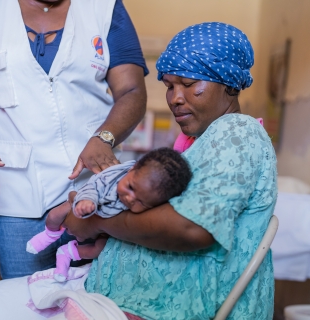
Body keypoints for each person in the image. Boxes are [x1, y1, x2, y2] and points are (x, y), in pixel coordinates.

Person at [61, 22, 277, 319]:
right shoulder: (198, 143)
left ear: (229, 83)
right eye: (169, 86)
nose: (175, 98)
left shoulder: (237, 132)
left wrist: (97, 222)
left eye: (188, 84)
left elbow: (193, 228)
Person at [0, 0, 148, 279]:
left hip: (90, 188)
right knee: (24, 300)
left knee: (93, 299)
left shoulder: (104, 7)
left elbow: (132, 91)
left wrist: (104, 137)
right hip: (15, 192)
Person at [26, 148, 192, 282]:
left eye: (141, 202)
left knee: (99, 250)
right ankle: (49, 235)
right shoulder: (113, 175)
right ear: (132, 169)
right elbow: (93, 186)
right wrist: (86, 201)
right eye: (130, 187)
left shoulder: (152, 197)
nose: (129, 198)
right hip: (85, 202)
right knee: (56, 215)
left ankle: (67, 253)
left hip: (107, 227)